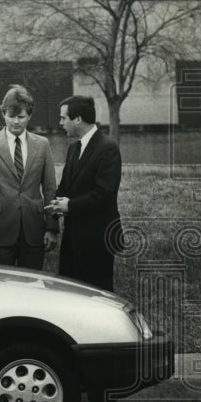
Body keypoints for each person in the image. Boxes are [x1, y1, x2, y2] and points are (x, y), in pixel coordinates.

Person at [0, 85, 59, 270]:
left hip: (34, 230)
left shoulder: (42, 145)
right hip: (0, 230)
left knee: (33, 286)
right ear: (3, 114)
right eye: (11, 116)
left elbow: (50, 189)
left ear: (29, 115)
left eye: (21, 116)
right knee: (1, 287)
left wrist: (52, 228)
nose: (16, 122)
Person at [45, 95, 124, 292]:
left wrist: (69, 206)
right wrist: (51, 211)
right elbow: (64, 188)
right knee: (70, 295)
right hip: (73, 239)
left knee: (97, 297)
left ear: (78, 119)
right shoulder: (73, 148)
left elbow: (104, 194)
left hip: (97, 240)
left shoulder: (108, 148)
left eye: (63, 118)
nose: (60, 122)